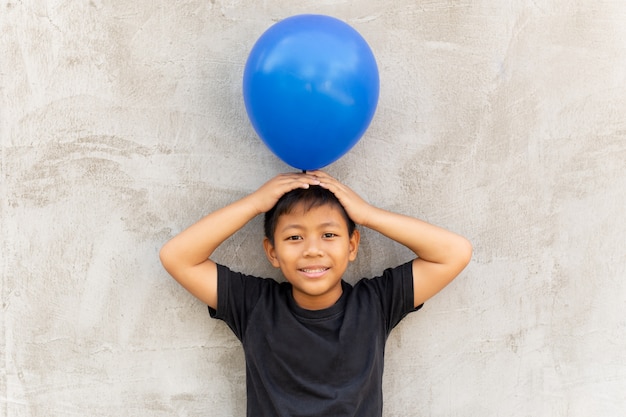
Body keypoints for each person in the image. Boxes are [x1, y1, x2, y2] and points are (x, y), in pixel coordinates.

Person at [159, 170, 472, 417]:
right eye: (294, 236)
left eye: (329, 235)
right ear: (272, 252)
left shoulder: (375, 303)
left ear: (352, 245)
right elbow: (178, 257)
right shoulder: (254, 305)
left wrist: (365, 214)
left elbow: (454, 252)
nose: (312, 250)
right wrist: (255, 202)